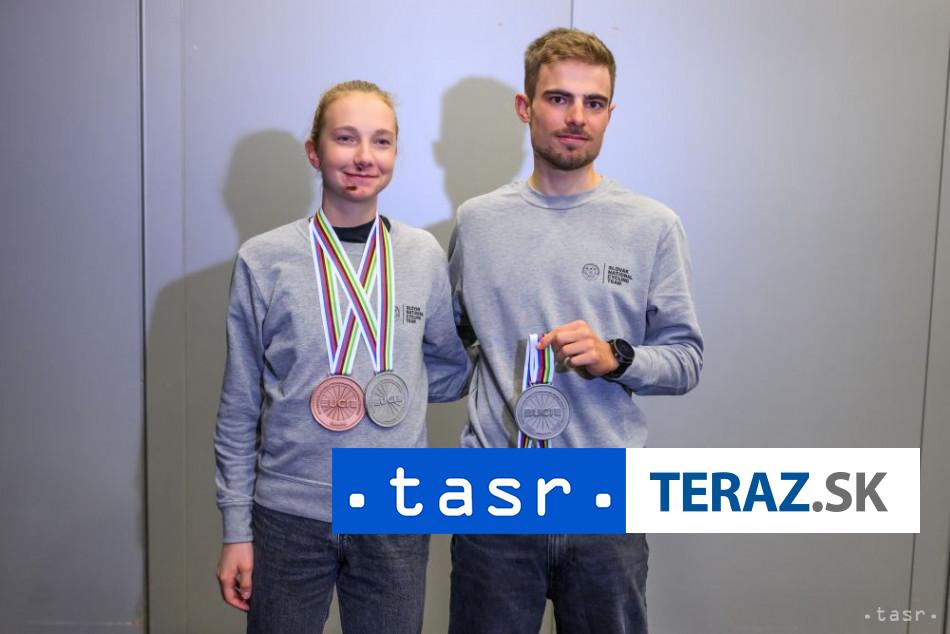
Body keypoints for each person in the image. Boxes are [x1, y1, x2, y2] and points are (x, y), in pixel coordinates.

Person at [447, 28, 704, 633]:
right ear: (525, 106)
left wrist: (617, 357)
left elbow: (686, 360)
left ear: (610, 114)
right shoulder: (477, 223)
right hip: (493, 501)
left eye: (594, 103)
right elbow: (453, 345)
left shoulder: (652, 226)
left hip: (604, 502)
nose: (576, 118)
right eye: (559, 98)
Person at [214, 80, 470, 634]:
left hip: (394, 503)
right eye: (346, 138)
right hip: (289, 510)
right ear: (314, 151)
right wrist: (236, 529)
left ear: (396, 153)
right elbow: (238, 408)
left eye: (381, 141)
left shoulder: (423, 255)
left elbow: (450, 371)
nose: (363, 156)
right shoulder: (264, 260)